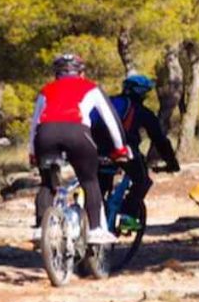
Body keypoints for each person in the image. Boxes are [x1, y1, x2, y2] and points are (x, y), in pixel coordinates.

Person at [29, 54, 130, 244]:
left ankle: (40, 227)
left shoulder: (46, 90)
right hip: (77, 133)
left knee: (47, 183)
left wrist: (33, 152)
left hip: (45, 134)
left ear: (56, 74)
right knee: (89, 180)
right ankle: (95, 229)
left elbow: (35, 123)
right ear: (81, 73)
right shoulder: (91, 87)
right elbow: (111, 120)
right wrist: (120, 149)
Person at [94, 74, 181, 233]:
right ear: (142, 93)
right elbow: (160, 140)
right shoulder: (142, 111)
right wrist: (172, 163)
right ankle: (128, 217)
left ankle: (91, 220)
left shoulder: (107, 103)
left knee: (98, 186)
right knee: (142, 180)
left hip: (95, 150)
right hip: (124, 152)